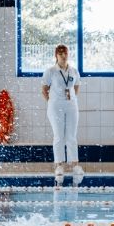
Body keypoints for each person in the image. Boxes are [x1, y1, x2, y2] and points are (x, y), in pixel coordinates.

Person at [41, 44, 82, 183]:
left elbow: (76, 87)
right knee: (59, 135)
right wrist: (52, 102)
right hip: (55, 106)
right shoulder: (51, 71)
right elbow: (44, 90)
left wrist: (70, 99)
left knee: (71, 136)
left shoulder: (73, 71)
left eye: (65, 53)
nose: (63, 56)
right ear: (56, 55)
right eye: (60, 53)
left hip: (71, 105)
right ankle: (59, 165)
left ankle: (75, 165)